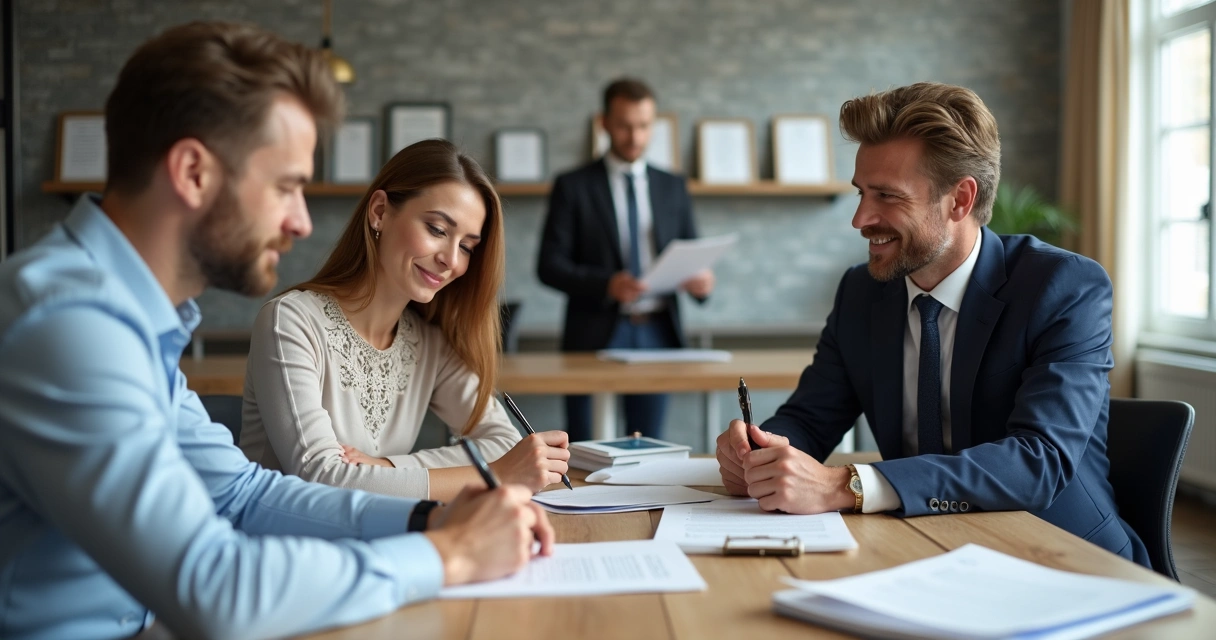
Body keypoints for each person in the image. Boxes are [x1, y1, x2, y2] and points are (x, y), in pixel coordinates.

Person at [0, 22, 553, 640]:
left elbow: (243, 495)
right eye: (286, 186)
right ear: (192, 172)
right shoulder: (68, 325)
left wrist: (427, 520)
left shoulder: (130, 319)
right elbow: (215, 588)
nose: (301, 222)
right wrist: (449, 555)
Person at [716, 81, 1150, 567]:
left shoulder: (1064, 287)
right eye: (861, 193)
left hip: (1060, 559)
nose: (860, 218)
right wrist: (761, 453)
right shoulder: (861, 292)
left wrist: (849, 484)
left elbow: (1038, 461)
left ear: (960, 200)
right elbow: (811, 418)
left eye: (886, 196)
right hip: (920, 552)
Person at [241, 139, 571, 501]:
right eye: (438, 230)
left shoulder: (429, 342)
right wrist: (494, 475)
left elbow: (504, 442)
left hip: (382, 546)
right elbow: (322, 478)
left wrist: (386, 468)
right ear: (380, 211)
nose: (451, 260)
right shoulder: (289, 322)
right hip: (282, 548)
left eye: (466, 247)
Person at [537, 77, 714, 442]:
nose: (635, 137)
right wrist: (607, 284)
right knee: (583, 445)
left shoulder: (672, 185)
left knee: (647, 444)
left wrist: (701, 282)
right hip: (593, 332)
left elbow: (691, 251)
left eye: (644, 126)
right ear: (603, 123)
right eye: (624, 126)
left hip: (657, 330)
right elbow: (549, 265)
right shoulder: (573, 185)